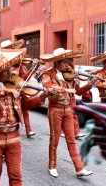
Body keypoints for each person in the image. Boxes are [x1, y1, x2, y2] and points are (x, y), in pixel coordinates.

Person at [0, 47, 56, 186]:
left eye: (9, 68)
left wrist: (42, 97)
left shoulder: (15, 82)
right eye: (5, 70)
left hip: (14, 136)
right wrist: (5, 90)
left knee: (16, 176)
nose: (10, 72)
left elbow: (25, 105)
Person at [40, 48, 93, 178]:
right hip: (55, 110)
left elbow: (78, 92)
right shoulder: (47, 74)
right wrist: (65, 90)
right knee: (55, 139)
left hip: (68, 109)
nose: (68, 65)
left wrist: (90, 83)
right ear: (57, 62)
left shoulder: (68, 75)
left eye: (68, 63)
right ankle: (52, 165)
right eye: (65, 62)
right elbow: (48, 87)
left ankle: (79, 168)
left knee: (71, 140)